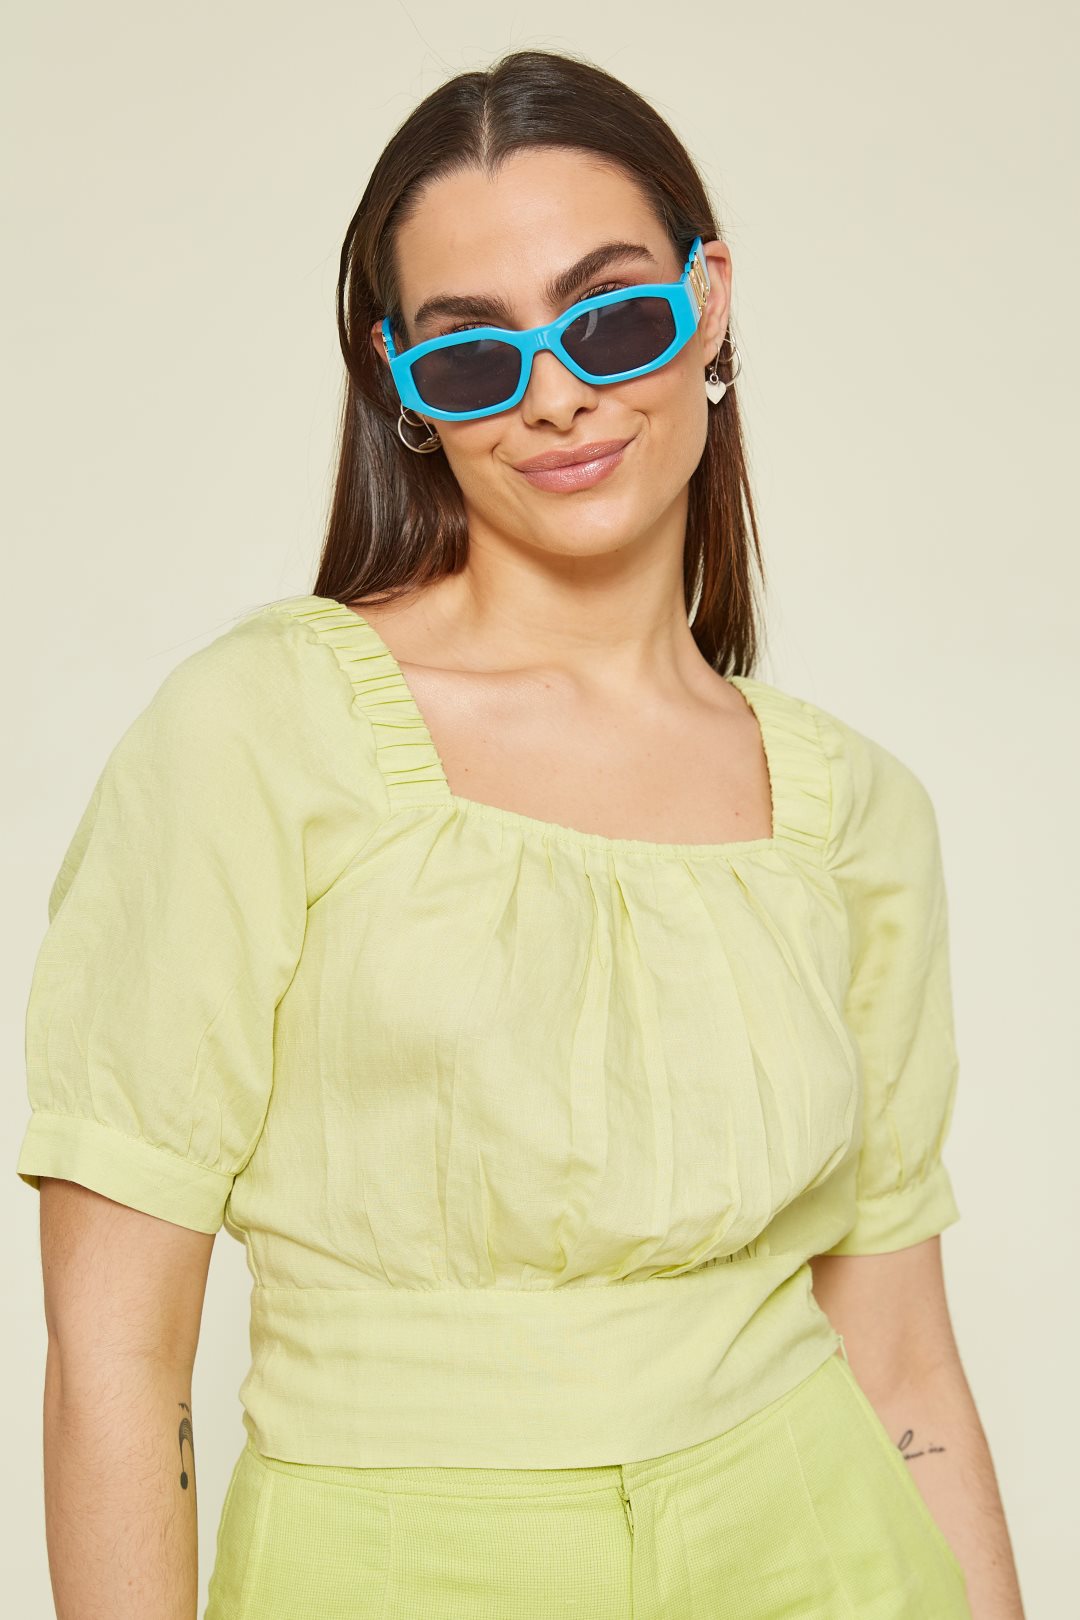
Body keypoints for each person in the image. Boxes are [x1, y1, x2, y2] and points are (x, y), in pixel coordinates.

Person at [15, 45, 1026, 1620]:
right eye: (474, 357)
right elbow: (115, 1353)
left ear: (708, 303)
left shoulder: (858, 813)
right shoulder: (258, 730)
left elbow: (903, 1368)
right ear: (404, 392)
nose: (555, 395)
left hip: (830, 1560)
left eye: (610, 318)